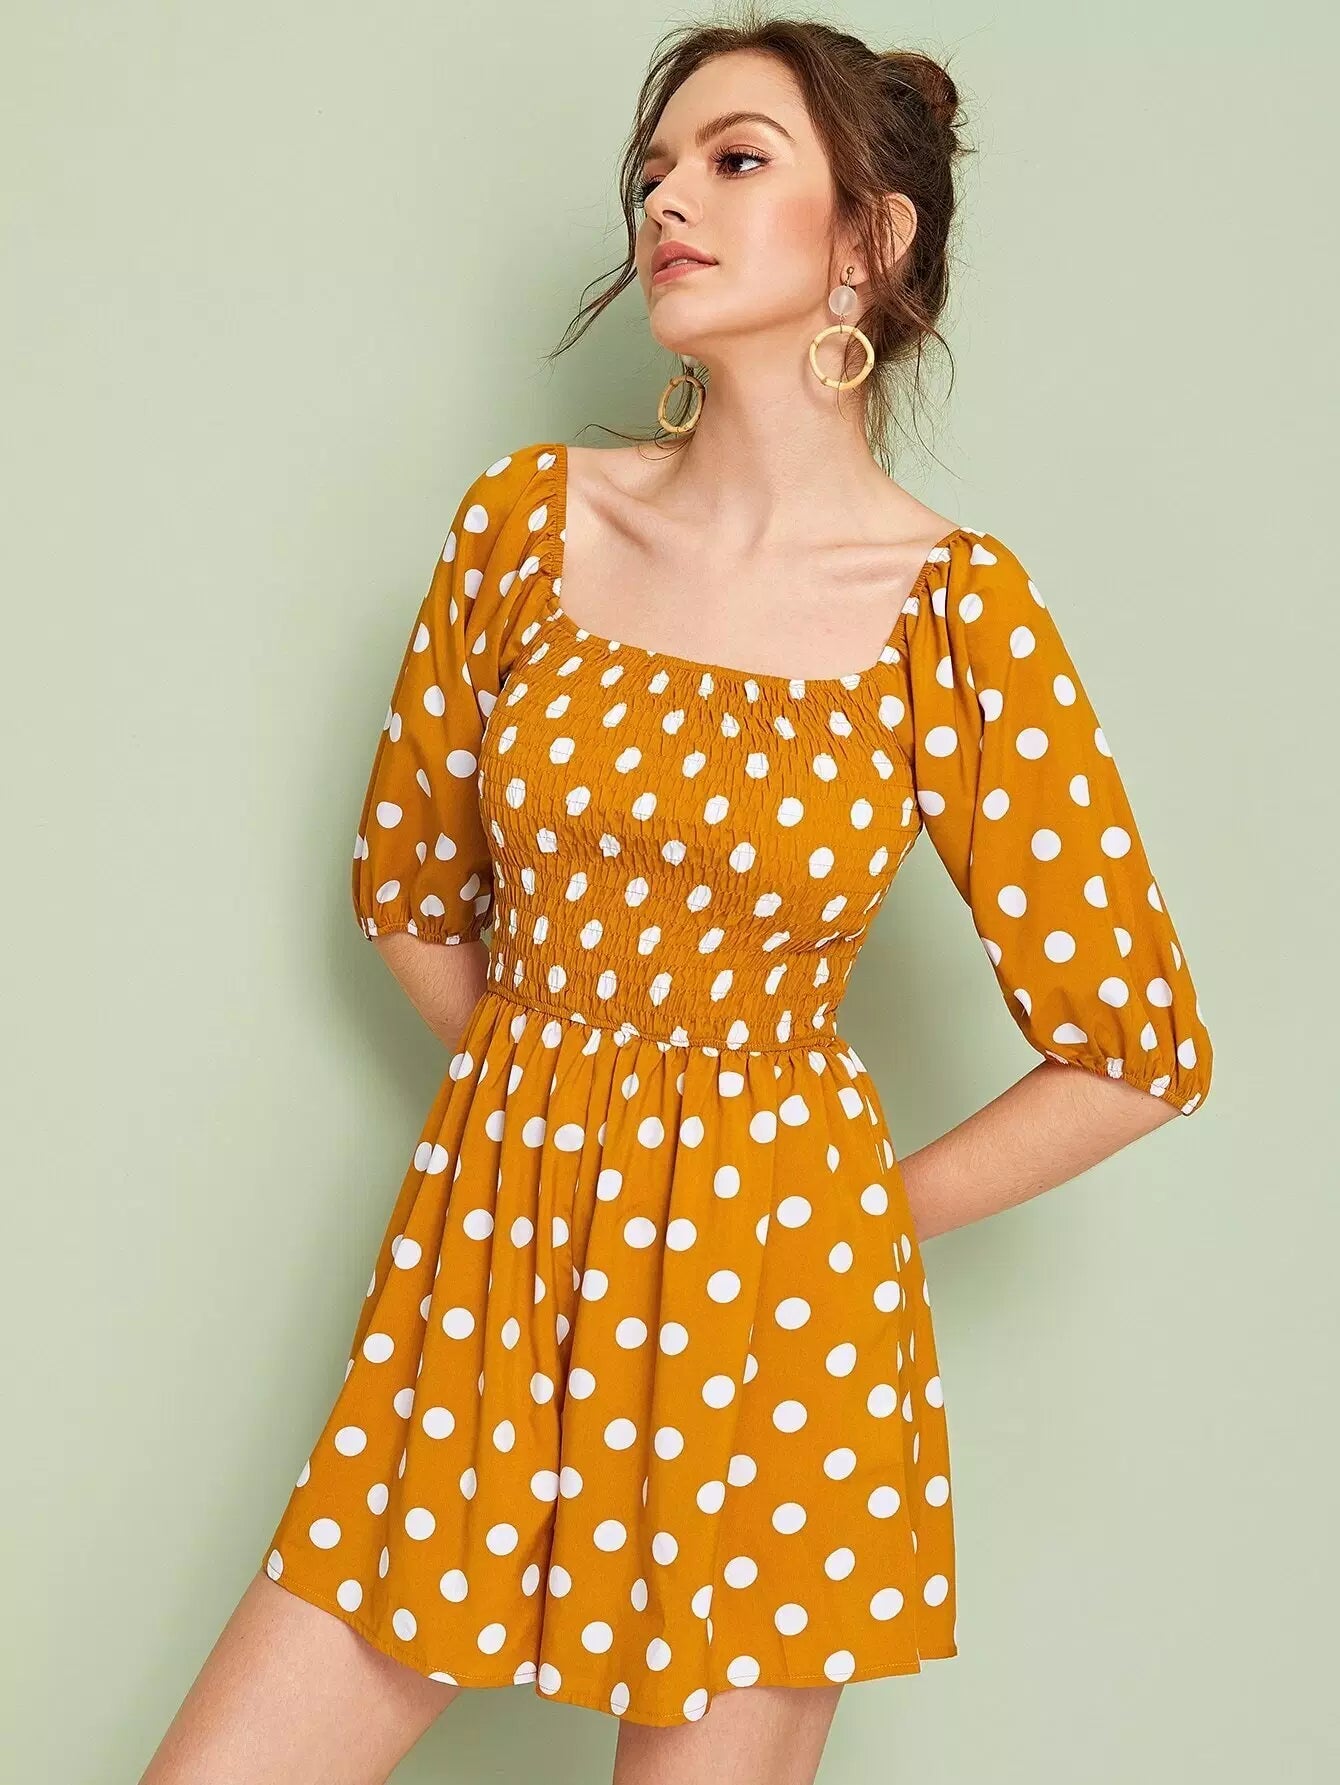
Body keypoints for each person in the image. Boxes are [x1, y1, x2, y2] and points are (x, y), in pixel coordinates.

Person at [140, 14, 1213, 1785]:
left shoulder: (956, 616)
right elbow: (408, 889)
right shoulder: (524, 526)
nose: (667, 201)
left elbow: (1136, 1045)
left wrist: (834, 1211)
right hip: (493, 1280)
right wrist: (555, 1126)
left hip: (776, 1325)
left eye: (734, 160)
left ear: (870, 242)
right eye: (654, 169)